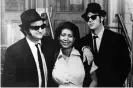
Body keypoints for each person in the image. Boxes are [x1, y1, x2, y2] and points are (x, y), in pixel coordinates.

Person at [79, 3, 131, 87]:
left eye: (93, 17)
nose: (90, 20)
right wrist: (84, 48)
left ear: (102, 18)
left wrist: (116, 84)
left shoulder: (117, 39)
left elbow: (125, 65)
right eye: (87, 18)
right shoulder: (83, 41)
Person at [2, 9, 56, 87]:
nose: (41, 30)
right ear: (25, 30)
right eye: (36, 28)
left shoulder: (50, 43)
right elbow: (8, 83)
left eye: (42, 26)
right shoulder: (14, 51)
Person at [52, 21, 98, 88]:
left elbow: (94, 80)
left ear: (74, 39)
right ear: (58, 37)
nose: (66, 39)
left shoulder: (84, 55)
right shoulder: (53, 56)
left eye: (70, 36)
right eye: (63, 35)